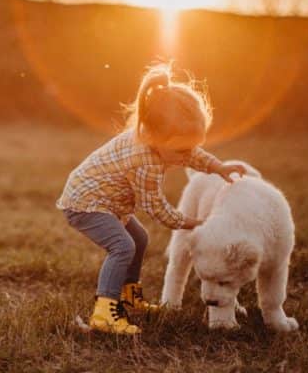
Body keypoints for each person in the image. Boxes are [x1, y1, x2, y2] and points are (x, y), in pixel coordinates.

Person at [56, 62, 246, 335]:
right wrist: (194, 222)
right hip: (85, 204)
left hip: (108, 202)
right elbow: (157, 209)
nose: (187, 155)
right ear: (155, 137)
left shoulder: (160, 140)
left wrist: (219, 167)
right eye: (182, 149)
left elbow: (193, 154)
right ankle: (104, 312)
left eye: (192, 146)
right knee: (122, 246)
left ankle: (130, 295)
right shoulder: (144, 162)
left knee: (139, 238)